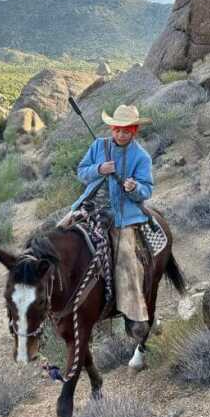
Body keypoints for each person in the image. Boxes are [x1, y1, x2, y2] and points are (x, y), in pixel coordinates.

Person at [70, 104, 154, 332]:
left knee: (126, 257)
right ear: (112, 128)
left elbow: (147, 190)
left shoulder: (141, 157)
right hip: (91, 205)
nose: (120, 134)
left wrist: (134, 187)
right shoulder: (99, 146)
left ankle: (135, 316)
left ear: (134, 131)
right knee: (58, 232)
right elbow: (81, 171)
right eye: (117, 129)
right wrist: (99, 169)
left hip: (122, 215)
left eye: (126, 131)